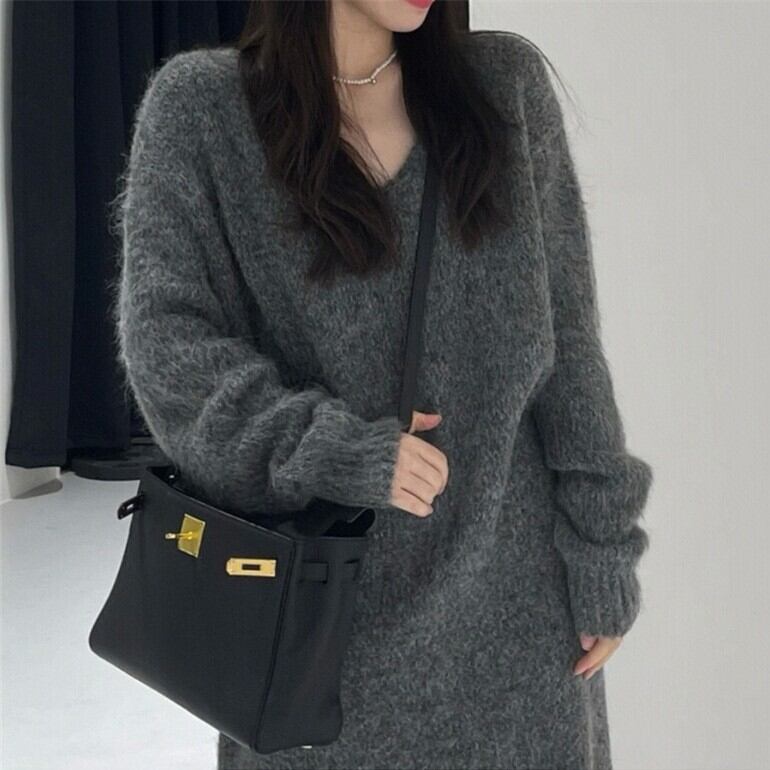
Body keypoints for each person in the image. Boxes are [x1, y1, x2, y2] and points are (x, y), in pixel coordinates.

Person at [111, 1, 654, 768]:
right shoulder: (202, 112)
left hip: (521, 627)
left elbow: (568, 346)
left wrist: (604, 549)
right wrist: (337, 450)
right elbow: (170, 357)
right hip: (311, 638)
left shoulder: (505, 88)